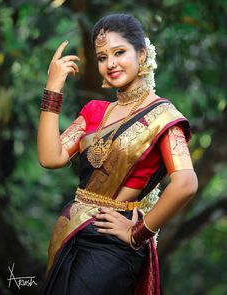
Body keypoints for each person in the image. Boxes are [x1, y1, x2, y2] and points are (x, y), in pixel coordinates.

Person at [38, 13, 198, 295]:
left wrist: (137, 234)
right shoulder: (95, 111)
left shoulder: (163, 117)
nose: (110, 63)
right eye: (102, 57)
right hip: (71, 230)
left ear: (142, 54)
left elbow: (186, 183)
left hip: (112, 245)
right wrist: (53, 89)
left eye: (119, 52)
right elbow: (51, 157)